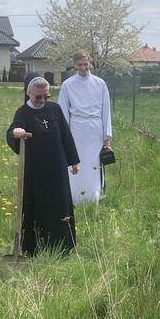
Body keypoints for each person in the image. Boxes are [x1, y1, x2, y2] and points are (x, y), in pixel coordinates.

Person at [7, 74, 80, 256]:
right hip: (35, 171)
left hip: (57, 168)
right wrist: (16, 132)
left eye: (46, 96)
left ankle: (62, 247)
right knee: (36, 207)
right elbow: (13, 129)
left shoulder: (54, 109)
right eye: (38, 97)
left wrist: (74, 161)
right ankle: (35, 247)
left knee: (60, 205)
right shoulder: (23, 113)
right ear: (29, 94)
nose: (42, 100)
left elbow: (65, 135)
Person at [58, 50, 112, 204]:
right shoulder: (68, 85)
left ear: (90, 63)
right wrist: (64, 135)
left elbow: (106, 109)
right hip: (76, 129)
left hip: (95, 129)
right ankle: (74, 197)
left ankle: (93, 197)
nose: (83, 68)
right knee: (76, 161)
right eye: (79, 65)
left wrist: (106, 135)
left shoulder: (100, 83)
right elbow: (63, 111)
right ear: (74, 65)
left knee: (93, 164)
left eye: (85, 64)